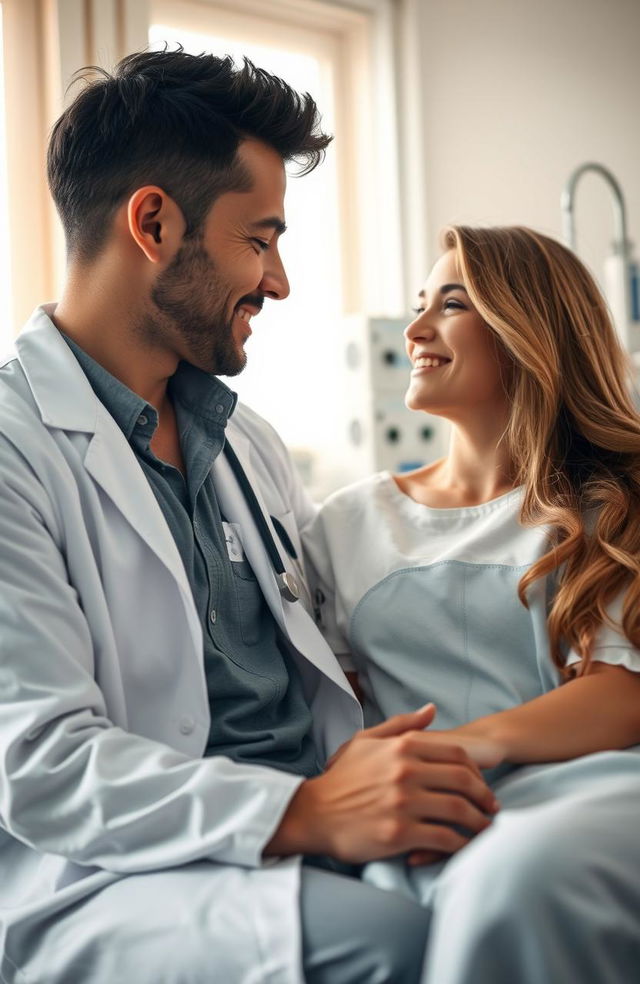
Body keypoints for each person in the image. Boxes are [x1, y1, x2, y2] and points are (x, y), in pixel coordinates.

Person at [0, 50, 501, 984]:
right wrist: (301, 814)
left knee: (524, 886)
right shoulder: (14, 451)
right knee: (404, 946)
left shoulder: (246, 443)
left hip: (310, 834)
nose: (279, 282)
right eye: (259, 239)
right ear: (152, 222)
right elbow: (41, 766)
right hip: (116, 878)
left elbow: (334, 654)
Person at [303, 224, 640, 983]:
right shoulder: (348, 522)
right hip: (418, 813)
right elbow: (338, 709)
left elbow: (622, 693)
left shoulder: (612, 507)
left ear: (531, 330)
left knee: (516, 878)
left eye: (451, 304)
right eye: (419, 304)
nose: (416, 329)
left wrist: (467, 747)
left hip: (583, 790)